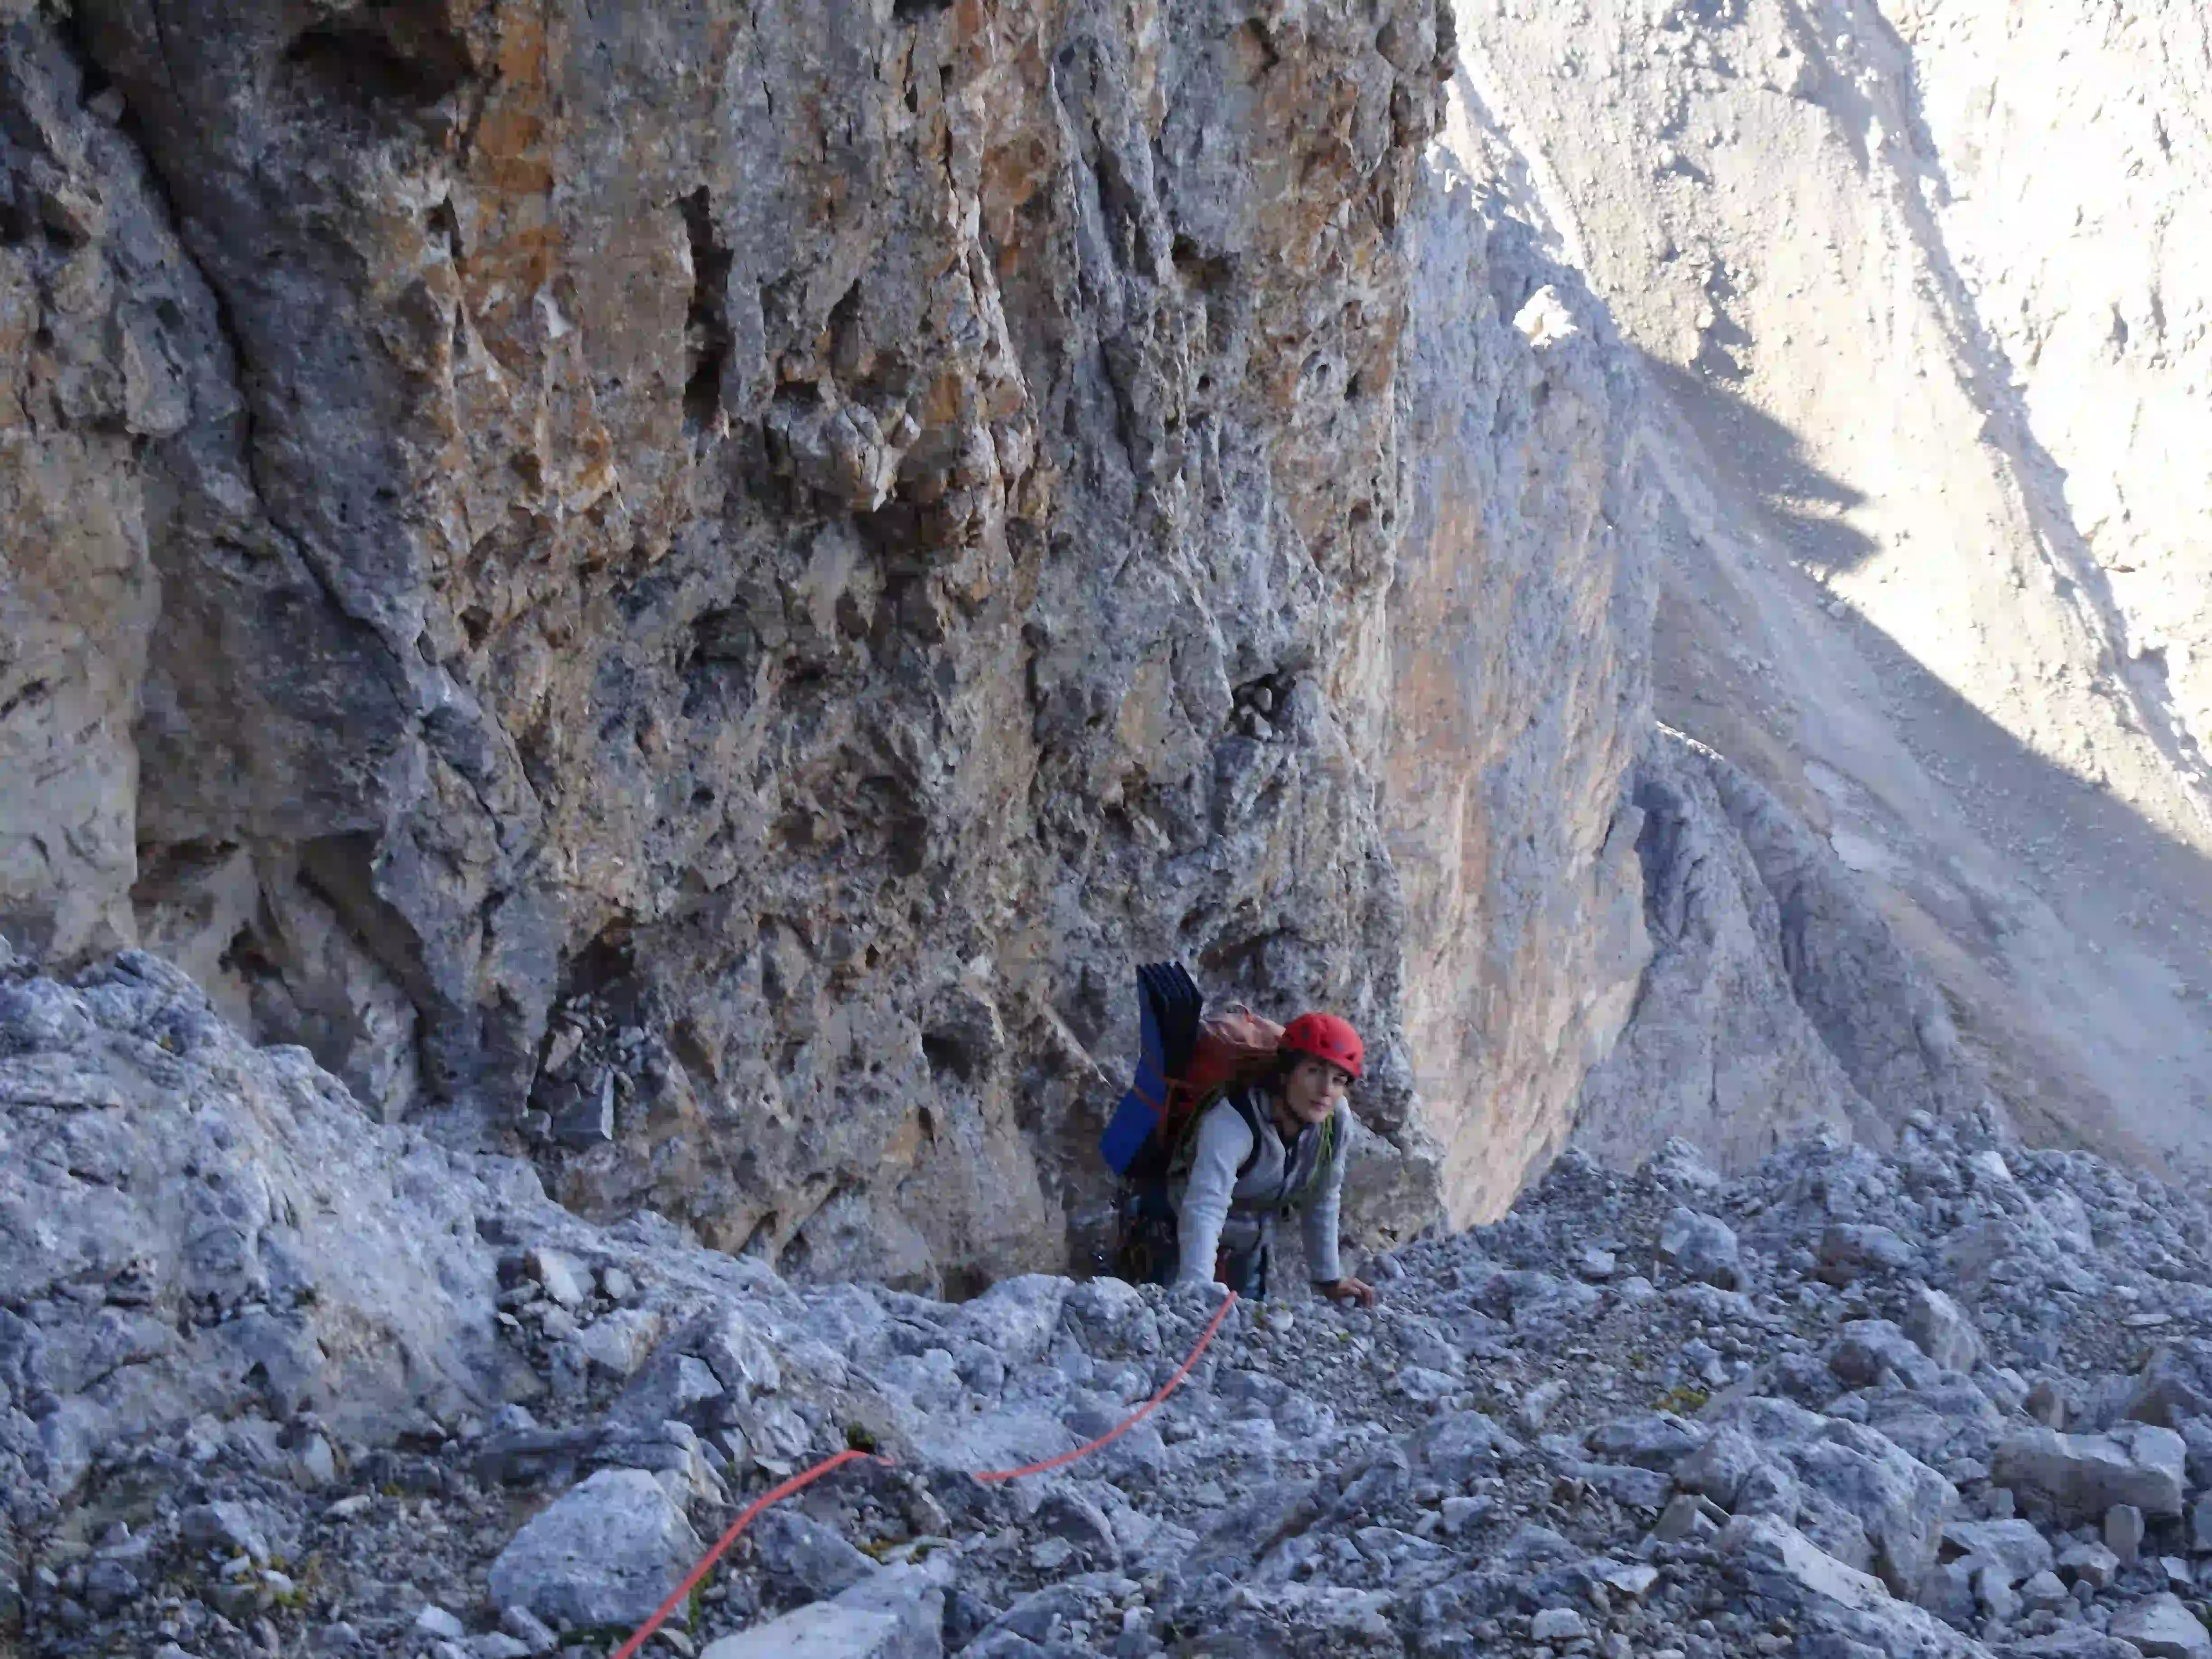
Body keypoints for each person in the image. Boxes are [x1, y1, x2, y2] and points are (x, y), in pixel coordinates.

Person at [1123, 1012, 1377, 1306]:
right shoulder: (1234, 1121)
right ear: (1285, 1073)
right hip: (1176, 1236)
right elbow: (1205, 1205)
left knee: (1248, 1330)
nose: (1326, 1090)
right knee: (1170, 1320)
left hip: (1249, 1247)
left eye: (1338, 1079)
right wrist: (1197, 1286)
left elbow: (1323, 1197)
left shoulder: (1335, 1123)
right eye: (1314, 1072)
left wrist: (1330, 1279)